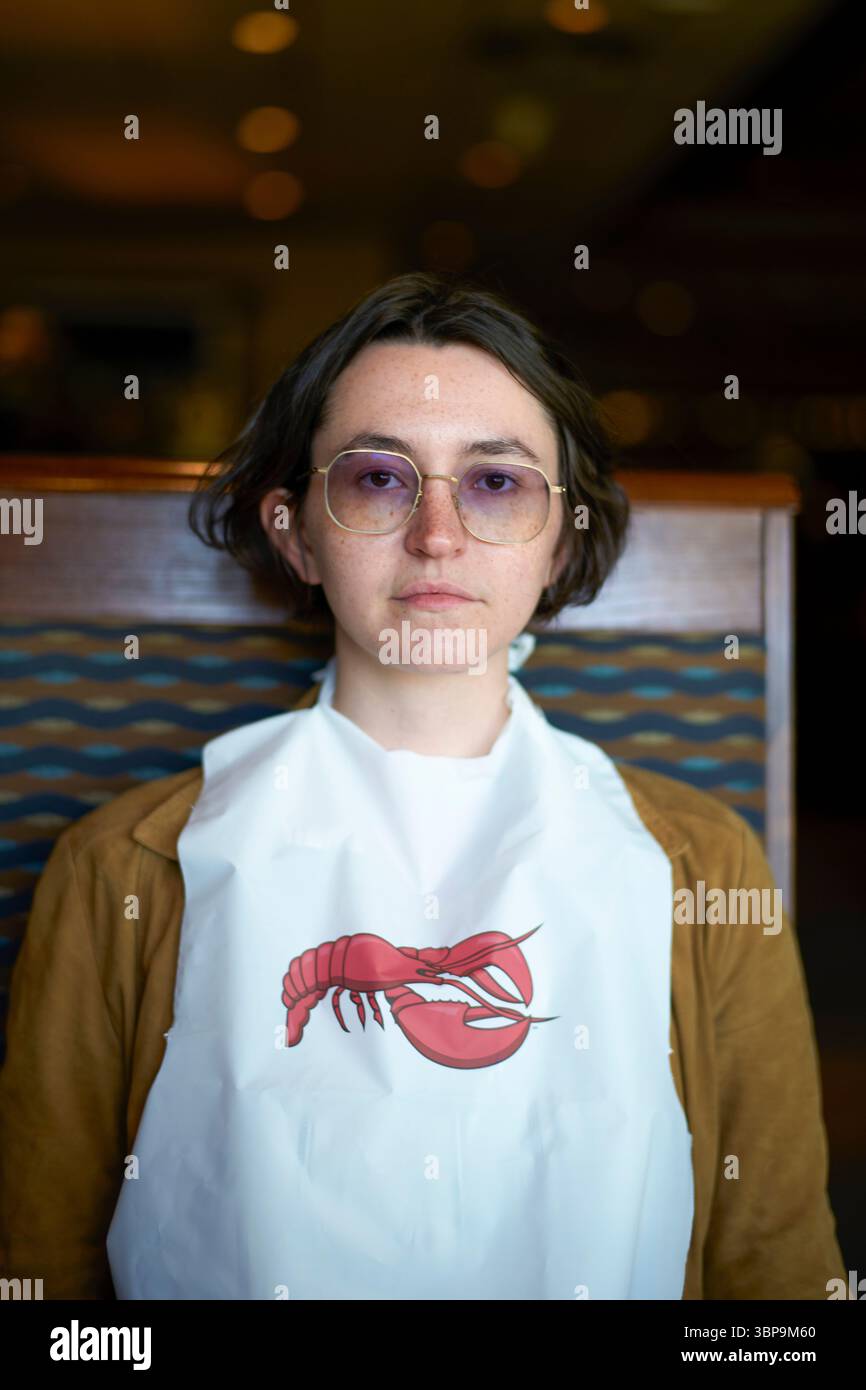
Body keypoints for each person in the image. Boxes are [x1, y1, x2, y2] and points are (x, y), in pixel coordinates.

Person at [0, 272, 845, 1300]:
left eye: (494, 483)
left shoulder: (704, 865)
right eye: (376, 479)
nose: (436, 535)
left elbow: (779, 1284)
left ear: (562, 536)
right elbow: (38, 1278)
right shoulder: (116, 869)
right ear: (293, 531)